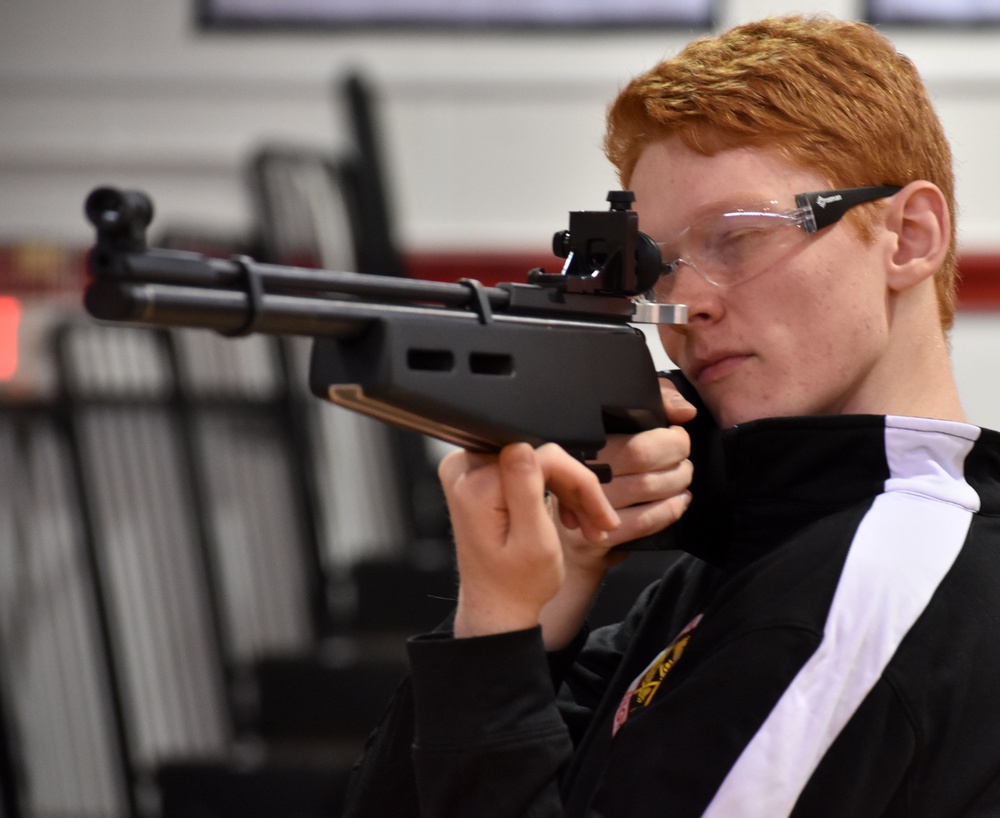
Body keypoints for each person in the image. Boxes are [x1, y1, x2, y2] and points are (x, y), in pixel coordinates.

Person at [343, 14, 1000, 817]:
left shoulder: (875, 585)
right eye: (660, 264)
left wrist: (497, 637)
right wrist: (539, 599)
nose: (684, 305)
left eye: (736, 236)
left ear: (909, 236)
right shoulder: (752, 557)